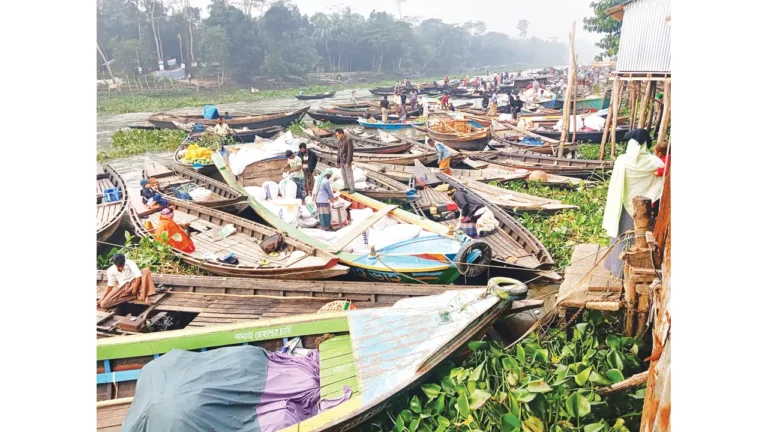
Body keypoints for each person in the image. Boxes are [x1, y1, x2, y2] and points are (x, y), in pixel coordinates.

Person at [602, 129, 665, 277]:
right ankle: (627, 270)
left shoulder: (622, 160)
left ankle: (617, 268)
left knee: (621, 236)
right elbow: (662, 178)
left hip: (622, 204)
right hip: (642, 209)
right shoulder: (654, 162)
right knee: (636, 237)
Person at [335, 129, 355, 193]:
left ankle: (352, 188)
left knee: (349, 175)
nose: (337, 136)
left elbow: (350, 152)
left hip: (346, 160)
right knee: (343, 174)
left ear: (341, 134)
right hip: (342, 160)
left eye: (337, 135)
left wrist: (348, 162)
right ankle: (346, 186)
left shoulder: (348, 139)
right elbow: (339, 151)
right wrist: (337, 161)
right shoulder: (340, 140)